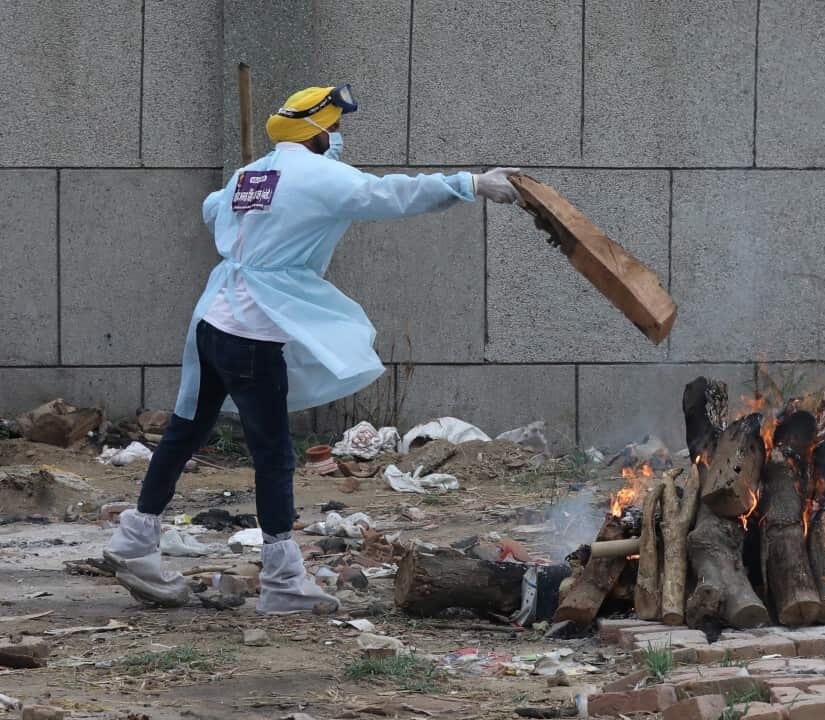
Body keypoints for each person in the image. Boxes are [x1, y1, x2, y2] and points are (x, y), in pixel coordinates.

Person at [103, 84, 520, 614]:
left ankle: (135, 539)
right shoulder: (318, 176)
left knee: (185, 431)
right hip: (251, 332)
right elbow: (390, 195)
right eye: (336, 130)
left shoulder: (251, 174)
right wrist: (471, 183)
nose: (339, 140)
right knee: (273, 452)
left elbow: (212, 209)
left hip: (212, 321)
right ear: (319, 131)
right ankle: (282, 580)